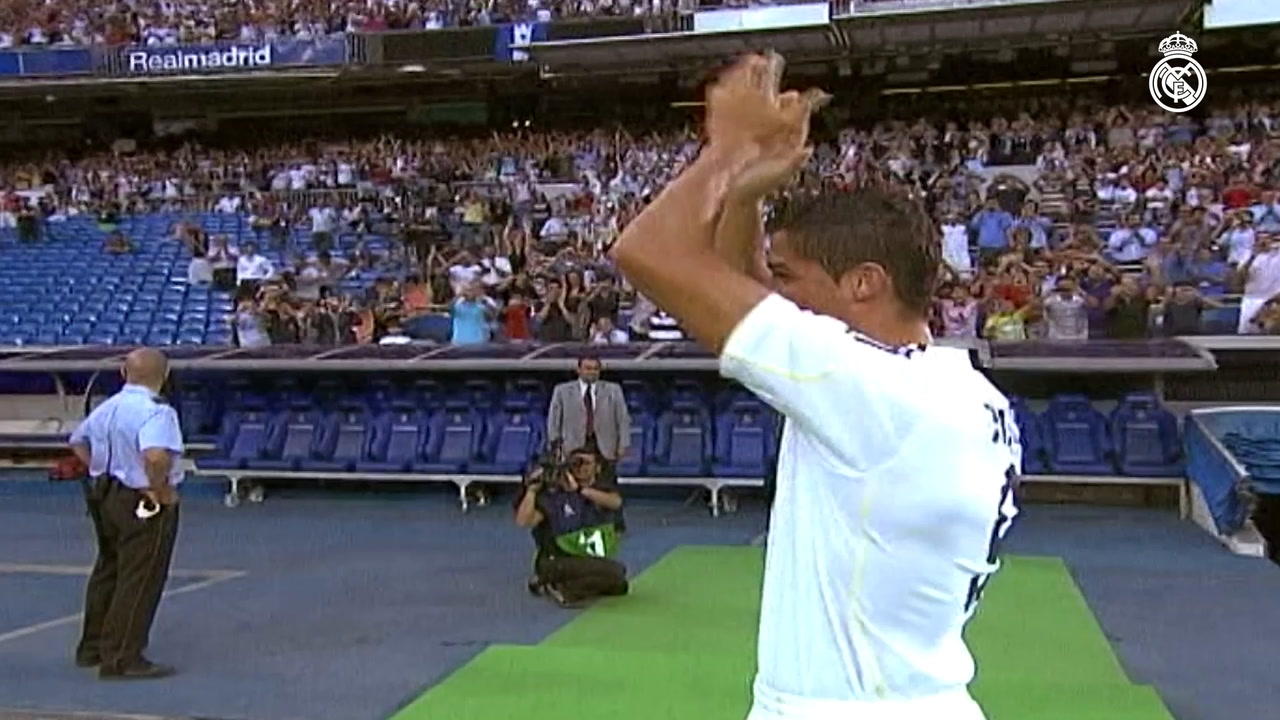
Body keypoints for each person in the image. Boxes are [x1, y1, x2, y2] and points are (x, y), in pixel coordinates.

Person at [610, 53, 1021, 720]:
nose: (774, 297)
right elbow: (738, 286)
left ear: (863, 283)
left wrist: (726, 151)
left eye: (789, 278)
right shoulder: (961, 392)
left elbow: (646, 253)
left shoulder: (869, 391)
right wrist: (745, 196)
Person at [68, 348, 184, 680]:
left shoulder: (109, 407)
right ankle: (121, 656)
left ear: (124, 373)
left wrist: (98, 470)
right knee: (141, 574)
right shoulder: (157, 412)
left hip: (105, 492)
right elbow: (156, 455)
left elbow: (77, 441)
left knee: (109, 567)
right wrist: (158, 488)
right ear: (163, 375)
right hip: (139, 497)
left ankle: (92, 646)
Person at [513, 447, 629, 607]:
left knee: (620, 585)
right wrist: (531, 492)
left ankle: (551, 583)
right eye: (575, 463)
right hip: (556, 559)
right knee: (615, 572)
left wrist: (579, 490)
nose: (580, 468)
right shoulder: (556, 497)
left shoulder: (601, 490)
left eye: (585, 463)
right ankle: (562, 589)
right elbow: (524, 521)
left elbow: (615, 502)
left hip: (586, 559)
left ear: (598, 467)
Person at [546, 355, 631, 531]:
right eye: (587, 368)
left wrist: (623, 443)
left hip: (605, 447)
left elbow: (623, 418)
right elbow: (554, 420)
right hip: (573, 447)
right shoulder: (562, 391)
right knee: (573, 488)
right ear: (578, 370)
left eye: (595, 368)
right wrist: (555, 445)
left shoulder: (613, 390)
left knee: (609, 486)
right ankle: (575, 523)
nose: (591, 372)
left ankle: (616, 523)